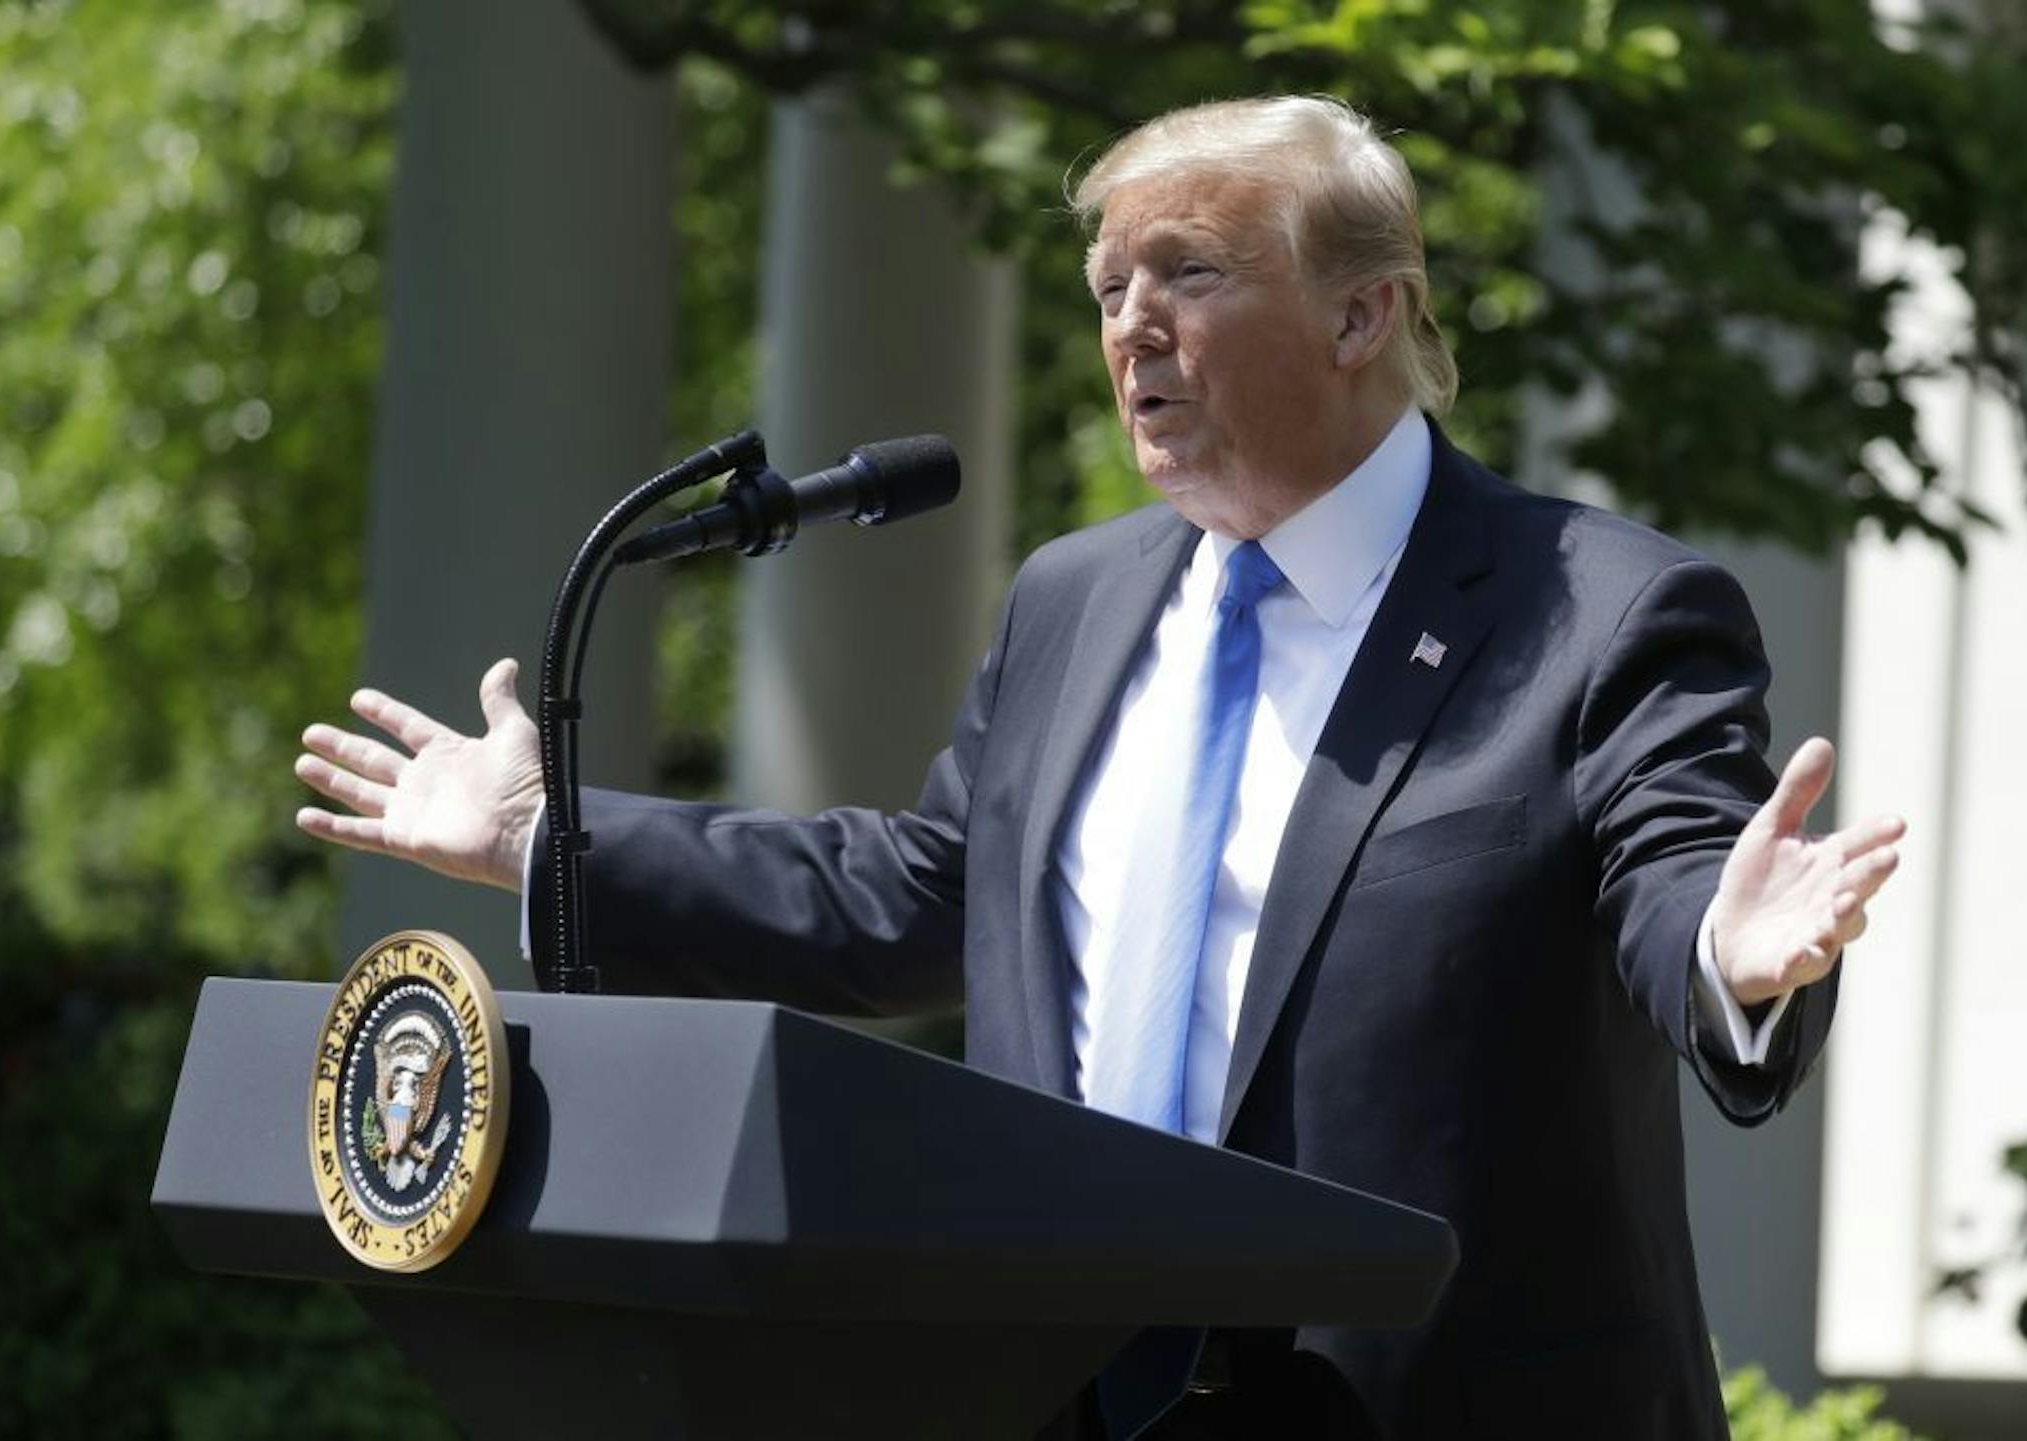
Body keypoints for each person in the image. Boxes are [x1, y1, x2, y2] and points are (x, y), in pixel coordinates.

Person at [295, 96, 1903, 1440]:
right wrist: (541, 834)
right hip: (1059, 1399)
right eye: (1109, 283)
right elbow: (917, 894)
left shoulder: (1599, 608)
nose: (1132, 322)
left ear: (1363, 312)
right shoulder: (1078, 598)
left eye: (1189, 273)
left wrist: (1726, 949)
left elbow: (1675, 872)